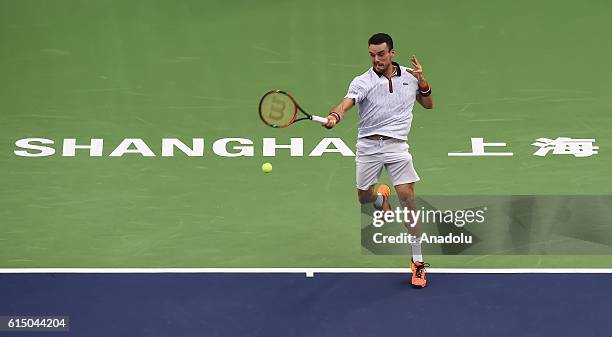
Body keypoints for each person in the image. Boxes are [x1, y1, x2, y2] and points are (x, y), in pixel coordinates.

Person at [324, 33, 434, 288]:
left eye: (381, 54)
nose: (376, 59)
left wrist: (423, 82)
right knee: (363, 198)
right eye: (372, 55)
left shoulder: (409, 76)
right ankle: (380, 199)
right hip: (369, 147)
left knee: (407, 198)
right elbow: (346, 103)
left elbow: (428, 104)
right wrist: (334, 116)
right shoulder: (363, 81)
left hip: (397, 146)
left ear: (392, 53)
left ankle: (418, 262)